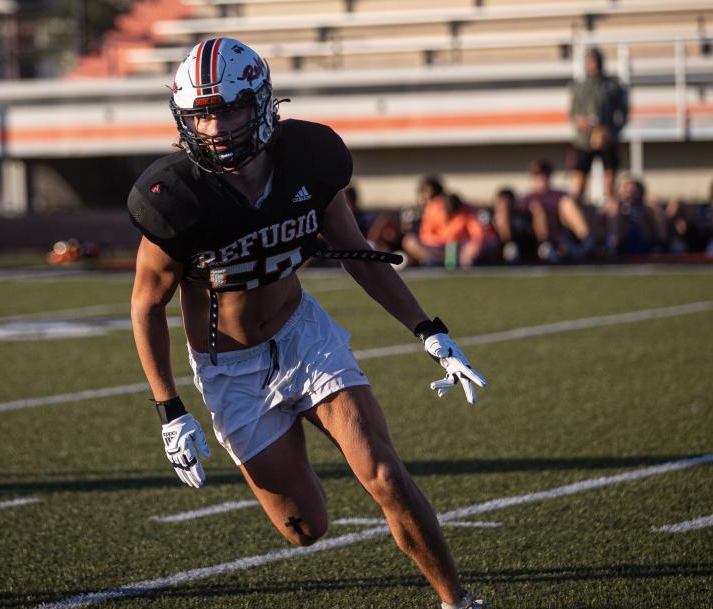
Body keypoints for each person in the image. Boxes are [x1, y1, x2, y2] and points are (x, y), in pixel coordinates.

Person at [128, 38, 487, 609]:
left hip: (302, 337)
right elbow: (147, 304)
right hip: (230, 368)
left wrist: (429, 330)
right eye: (202, 115)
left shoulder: (309, 159)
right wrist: (170, 409)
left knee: (386, 475)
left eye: (229, 110)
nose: (216, 128)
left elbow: (354, 250)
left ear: (264, 103)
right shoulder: (176, 197)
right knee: (304, 528)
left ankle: (457, 602)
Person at [496, 160, 592, 263]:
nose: (541, 180)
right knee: (536, 209)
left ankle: (586, 243)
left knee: (567, 203)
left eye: (543, 176)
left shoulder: (559, 196)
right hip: (532, 238)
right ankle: (509, 245)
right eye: (538, 176)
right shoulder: (527, 198)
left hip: (560, 236)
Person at [567, 47, 628, 202]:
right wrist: (581, 122)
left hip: (607, 139)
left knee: (610, 179)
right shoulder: (579, 86)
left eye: (596, 61)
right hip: (584, 141)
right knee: (579, 180)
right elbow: (573, 114)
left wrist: (614, 132)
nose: (593, 64)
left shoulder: (612, 85)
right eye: (590, 61)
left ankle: (611, 210)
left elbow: (623, 112)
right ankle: (579, 211)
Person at [401, 177, 485, 268]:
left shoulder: (468, 211)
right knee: (409, 242)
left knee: (473, 247)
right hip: (437, 249)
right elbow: (426, 236)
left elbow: (477, 236)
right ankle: (436, 262)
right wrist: (443, 248)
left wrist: (469, 249)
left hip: (459, 248)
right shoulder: (433, 208)